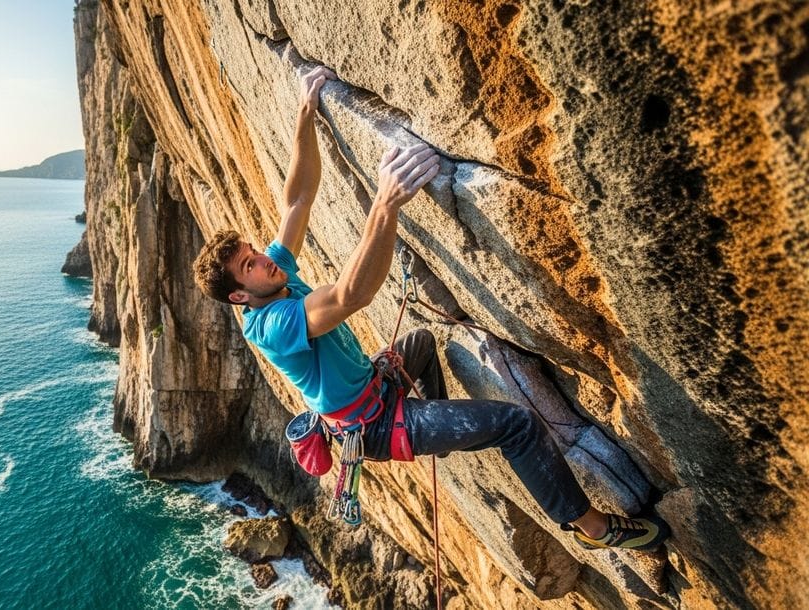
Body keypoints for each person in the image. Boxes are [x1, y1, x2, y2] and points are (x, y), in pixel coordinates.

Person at [191, 66, 668, 551]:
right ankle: (594, 530)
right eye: (251, 263)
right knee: (516, 425)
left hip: (375, 386)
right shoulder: (269, 325)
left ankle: (438, 419)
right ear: (238, 295)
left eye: (256, 251)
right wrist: (386, 204)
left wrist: (305, 112)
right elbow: (349, 296)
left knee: (419, 342)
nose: (266, 259)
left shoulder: (271, 276)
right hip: (372, 427)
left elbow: (297, 200)